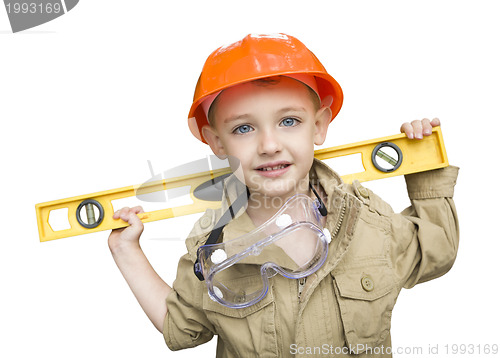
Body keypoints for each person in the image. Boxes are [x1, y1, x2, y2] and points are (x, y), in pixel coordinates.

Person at [108, 34, 459, 357]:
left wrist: (423, 168)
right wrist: (127, 251)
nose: (270, 145)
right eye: (243, 128)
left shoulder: (365, 220)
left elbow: (437, 251)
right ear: (216, 142)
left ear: (319, 125)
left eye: (288, 121)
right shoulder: (212, 251)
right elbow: (181, 330)